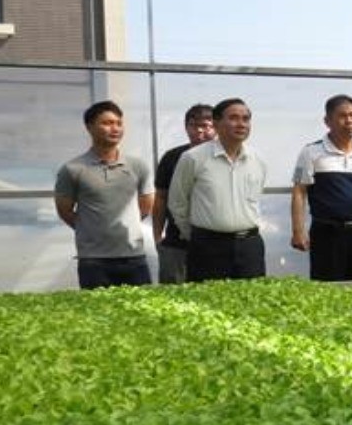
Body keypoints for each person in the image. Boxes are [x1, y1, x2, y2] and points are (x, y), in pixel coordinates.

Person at [54, 100, 154, 290]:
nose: (115, 128)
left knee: (139, 313)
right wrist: (92, 229)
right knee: (97, 316)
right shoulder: (73, 169)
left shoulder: (137, 166)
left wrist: (125, 223)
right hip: (93, 261)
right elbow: (65, 210)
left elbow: (146, 206)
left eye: (118, 123)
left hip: (133, 256)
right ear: (89, 127)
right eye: (107, 123)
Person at [168, 97, 268, 282]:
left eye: (246, 119)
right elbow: (177, 202)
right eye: (234, 118)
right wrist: (195, 235)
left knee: (253, 301)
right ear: (216, 123)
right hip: (207, 246)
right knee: (207, 304)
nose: (241, 124)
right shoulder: (193, 158)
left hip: (249, 246)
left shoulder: (258, 159)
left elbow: (254, 199)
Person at [290, 94, 352, 281]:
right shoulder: (311, 152)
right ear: (327, 121)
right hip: (327, 234)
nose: (349, 120)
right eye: (342, 116)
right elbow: (299, 192)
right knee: (328, 288)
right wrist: (298, 231)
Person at [153, 103, 215, 284]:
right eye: (196, 125)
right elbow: (161, 198)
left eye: (209, 126)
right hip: (176, 242)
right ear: (187, 127)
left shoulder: (223, 157)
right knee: (174, 296)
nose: (202, 131)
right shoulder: (172, 157)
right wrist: (158, 237)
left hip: (213, 242)